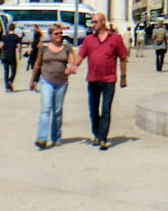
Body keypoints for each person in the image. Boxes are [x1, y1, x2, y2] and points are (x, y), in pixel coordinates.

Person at [69, 11, 128, 150]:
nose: (92, 24)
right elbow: (81, 56)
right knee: (93, 110)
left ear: (103, 22)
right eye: (92, 22)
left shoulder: (115, 39)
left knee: (106, 109)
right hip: (93, 79)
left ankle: (103, 138)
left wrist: (124, 77)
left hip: (109, 80)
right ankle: (96, 134)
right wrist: (73, 67)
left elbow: (123, 58)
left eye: (95, 22)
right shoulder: (89, 40)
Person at [31, 25, 75, 149]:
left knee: (57, 111)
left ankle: (56, 136)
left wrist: (71, 68)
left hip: (61, 82)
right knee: (46, 109)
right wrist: (32, 80)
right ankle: (42, 138)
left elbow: (73, 61)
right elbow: (37, 64)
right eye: (56, 33)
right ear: (50, 35)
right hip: (46, 80)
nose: (59, 36)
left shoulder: (67, 48)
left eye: (60, 33)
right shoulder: (43, 49)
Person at [0, 23, 22, 91]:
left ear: (8, 28)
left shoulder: (4, 37)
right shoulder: (16, 37)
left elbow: (0, 46)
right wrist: (20, 54)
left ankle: (7, 86)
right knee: (14, 71)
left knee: (6, 71)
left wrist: (1, 52)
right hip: (12, 55)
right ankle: (10, 81)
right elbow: (19, 46)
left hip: (5, 56)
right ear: (14, 29)